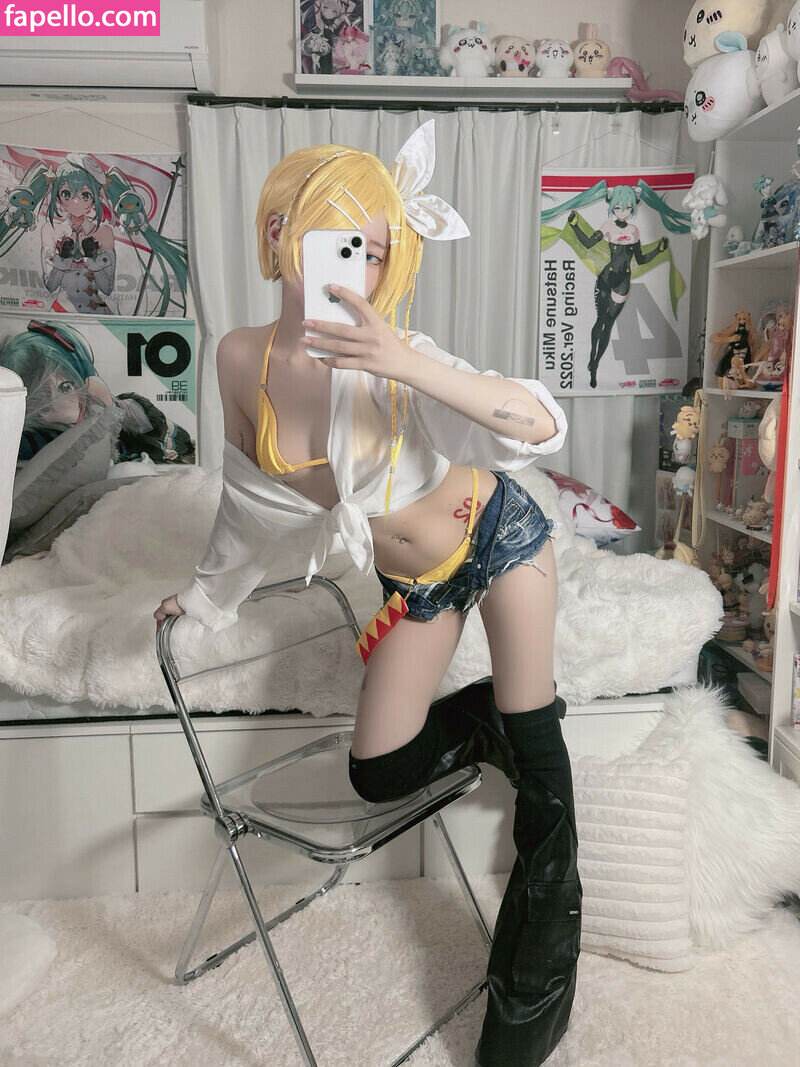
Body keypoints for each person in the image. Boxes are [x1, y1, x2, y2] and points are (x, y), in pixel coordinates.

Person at [153, 120, 579, 1067]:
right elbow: (249, 498)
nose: (358, 267)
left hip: (498, 538)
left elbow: (539, 424)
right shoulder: (238, 359)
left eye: (377, 250)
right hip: (414, 586)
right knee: (379, 770)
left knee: (547, 787)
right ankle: (497, 720)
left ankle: (529, 1004)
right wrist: (208, 598)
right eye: (334, 239)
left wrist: (405, 362)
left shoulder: (395, 352)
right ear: (280, 234)